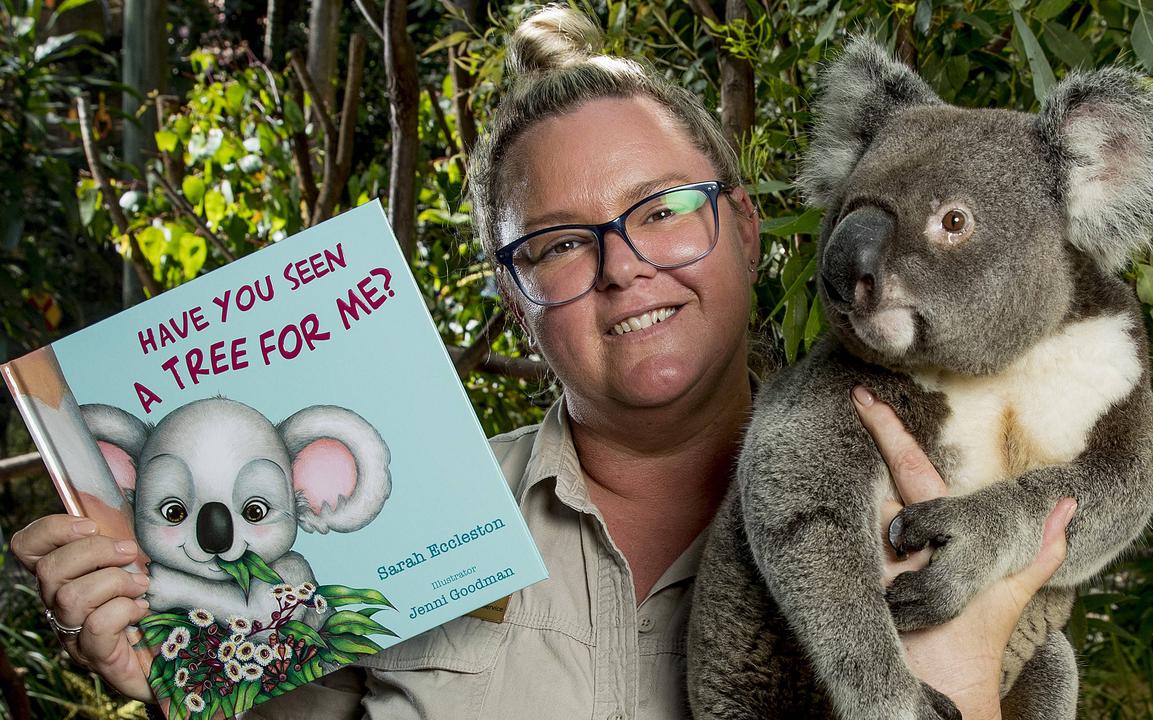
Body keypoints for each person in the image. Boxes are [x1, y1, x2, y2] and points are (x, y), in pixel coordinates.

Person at [11, 6, 1075, 719]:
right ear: (509, 293)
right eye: (559, 244)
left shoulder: (950, 509)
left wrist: (957, 676)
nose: (623, 272)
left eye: (660, 213)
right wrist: (173, 677)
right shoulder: (394, 528)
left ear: (745, 227)